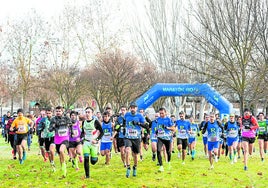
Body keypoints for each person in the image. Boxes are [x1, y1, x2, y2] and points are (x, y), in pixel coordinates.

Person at [124, 102, 149, 178]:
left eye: (134, 107)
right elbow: (125, 122)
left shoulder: (140, 116)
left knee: (135, 155)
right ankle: (128, 168)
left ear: (136, 108)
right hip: (128, 137)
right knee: (127, 151)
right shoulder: (127, 115)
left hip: (136, 138)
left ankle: (135, 167)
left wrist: (138, 123)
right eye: (131, 107)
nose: (132, 109)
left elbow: (146, 126)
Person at [49, 106, 72, 177]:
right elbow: (50, 129)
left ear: (62, 111)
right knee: (60, 156)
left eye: (59, 111)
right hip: (57, 139)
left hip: (65, 138)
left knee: (62, 150)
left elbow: (71, 125)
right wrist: (53, 126)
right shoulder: (53, 119)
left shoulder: (66, 118)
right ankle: (63, 168)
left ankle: (64, 166)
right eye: (57, 111)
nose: (58, 112)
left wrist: (71, 132)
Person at [81, 107, 104, 178]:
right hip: (86, 142)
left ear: (92, 113)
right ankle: (87, 175)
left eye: (89, 112)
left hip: (93, 143)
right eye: (86, 112)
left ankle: (94, 158)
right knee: (86, 158)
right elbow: (82, 132)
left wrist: (96, 140)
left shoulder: (95, 121)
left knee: (93, 161)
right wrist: (81, 138)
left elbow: (102, 132)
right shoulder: (83, 122)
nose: (87, 114)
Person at [156, 108, 175, 172]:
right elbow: (158, 127)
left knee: (168, 152)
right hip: (160, 138)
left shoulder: (169, 119)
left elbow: (173, 128)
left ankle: (169, 162)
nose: (161, 115)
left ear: (165, 113)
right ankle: (161, 166)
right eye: (160, 113)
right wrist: (157, 131)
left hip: (167, 138)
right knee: (158, 151)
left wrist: (167, 127)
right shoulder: (158, 119)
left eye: (162, 113)